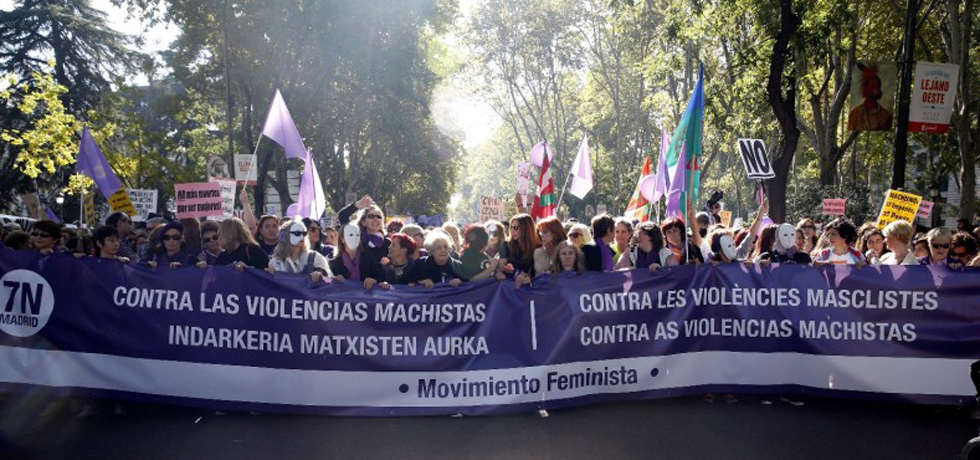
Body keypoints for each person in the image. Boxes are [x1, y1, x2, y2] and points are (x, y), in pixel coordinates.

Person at [329, 223, 383, 289]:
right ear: (342, 239)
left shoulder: (369, 258)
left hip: (366, 297)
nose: (355, 238)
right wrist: (334, 280)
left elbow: (381, 277)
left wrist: (374, 280)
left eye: (357, 235)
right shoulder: (334, 264)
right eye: (351, 235)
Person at [847, 62, 892, 131]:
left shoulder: (886, 115)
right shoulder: (855, 114)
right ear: (865, 89)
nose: (875, 91)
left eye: (877, 87)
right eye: (872, 87)